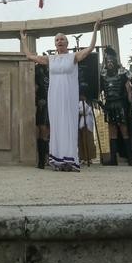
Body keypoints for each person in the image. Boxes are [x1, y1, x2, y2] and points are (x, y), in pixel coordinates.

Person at [20, 20, 101, 172]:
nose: (59, 41)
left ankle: (71, 160)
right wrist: (23, 41)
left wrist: (95, 30)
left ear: (67, 42)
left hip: (69, 96)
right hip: (55, 97)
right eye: (57, 40)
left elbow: (90, 49)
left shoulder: (74, 57)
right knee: (56, 126)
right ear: (55, 44)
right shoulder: (50, 59)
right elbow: (30, 56)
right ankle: (58, 161)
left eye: (62, 39)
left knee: (69, 125)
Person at [99, 46, 132, 165]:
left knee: (124, 130)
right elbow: (99, 91)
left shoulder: (123, 74)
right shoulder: (103, 77)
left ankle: (130, 158)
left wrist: (130, 104)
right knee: (112, 131)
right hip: (109, 104)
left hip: (120, 104)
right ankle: (113, 159)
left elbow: (128, 88)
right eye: (107, 62)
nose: (109, 63)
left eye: (111, 61)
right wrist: (100, 103)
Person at [34, 62, 50, 169]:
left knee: (44, 131)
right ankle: (42, 160)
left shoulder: (48, 72)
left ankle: (44, 160)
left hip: (47, 103)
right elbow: (35, 88)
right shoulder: (38, 70)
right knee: (42, 131)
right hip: (43, 103)